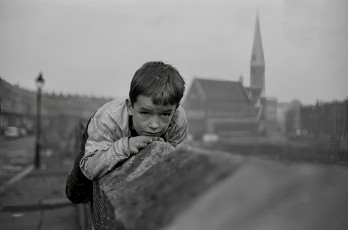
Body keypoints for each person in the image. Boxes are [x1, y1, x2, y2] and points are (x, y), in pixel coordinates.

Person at [79, 61, 188, 181]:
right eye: (145, 113)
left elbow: (179, 163)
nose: (154, 125)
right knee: (77, 189)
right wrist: (126, 146)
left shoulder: (178, 118)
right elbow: (89, 168)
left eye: (165, 114)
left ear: (175, 110)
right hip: (102, 135)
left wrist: (165, 149)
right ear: (130, 107)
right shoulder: (108, 120)